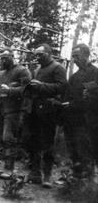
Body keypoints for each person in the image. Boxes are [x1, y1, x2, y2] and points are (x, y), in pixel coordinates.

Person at [23, 43, 67, 188]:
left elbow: (62, 87)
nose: (37, 57)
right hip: (34, 110)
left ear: (48, 53)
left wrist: (41, 85)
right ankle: (35, 173)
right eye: (36, 55)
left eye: (40, 54)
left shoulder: (58, 68)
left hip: (49, 111)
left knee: (47, 143)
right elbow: (34, 88)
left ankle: (47, 175)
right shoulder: (37, 69)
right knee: (33, 142)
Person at [0, 49, 31, 179]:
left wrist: (10, 90)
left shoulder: (22, 71)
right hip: (1, 109)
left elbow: (27, 90)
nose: (3, 60)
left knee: (8, 138)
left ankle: (9, 168)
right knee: (1, 139)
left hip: (14, 110)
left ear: (13, 57)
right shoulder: (1, 73)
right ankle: (5, 165)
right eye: (1, 58)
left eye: (6, 58)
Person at [64, 44, 98, 179]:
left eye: (77, 56)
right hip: (74, 119)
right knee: (74, 149)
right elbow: (68, 96)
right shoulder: (73, 77)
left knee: (87, 150)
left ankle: (87, 182)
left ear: (86, 55)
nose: (75, 60)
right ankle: (76, 176)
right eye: (73, 57)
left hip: (90, 120)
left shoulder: (96, 74)